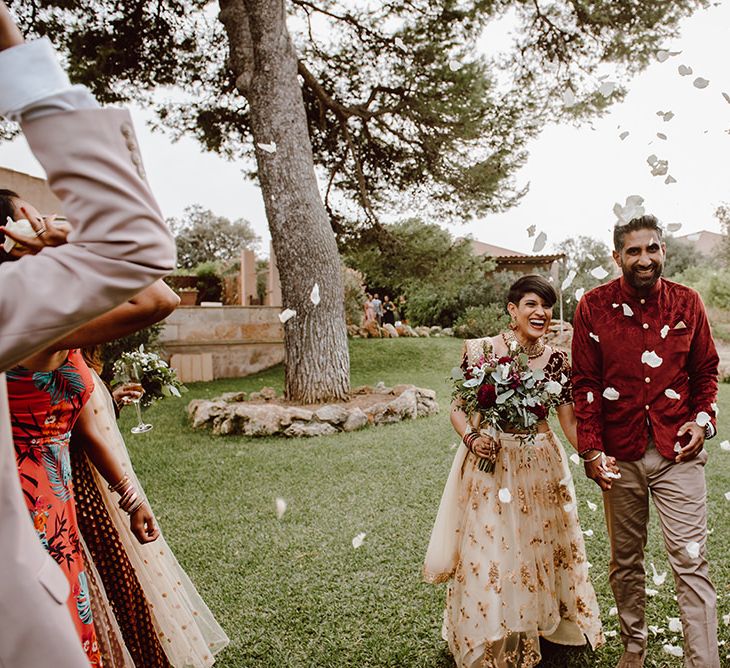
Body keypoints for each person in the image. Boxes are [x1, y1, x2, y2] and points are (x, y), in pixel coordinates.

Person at [0, 8, 176, 668]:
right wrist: (13, 54)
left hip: (59, 503)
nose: (40, 220)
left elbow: (84, 422)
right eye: (27, 217)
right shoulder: (26, 332)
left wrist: (131, 496)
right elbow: (148, 281)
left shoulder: (29, 323)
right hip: (36, 518)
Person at [424, 274, 604, 668]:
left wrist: (593, 455)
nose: (540, 313)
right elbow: (457, 408)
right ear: (512, 310)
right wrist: (473, 438)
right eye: (531, 305)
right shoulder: (480, 351)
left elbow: (569, 423)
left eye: (546, 306)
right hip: (491, 461)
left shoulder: (558, 359)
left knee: (536, 547)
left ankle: (538, 623)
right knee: (490, 549)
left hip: (540, 462)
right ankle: (487, 633)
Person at [571, 215, 720, 668]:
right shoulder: (592, 307)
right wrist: (592, 451)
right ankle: (633, 648)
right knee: (625, 562)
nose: (644, 258)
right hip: (620, 455)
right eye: (633, 251)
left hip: (680, 453)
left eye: (651, 249)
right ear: (616, 257)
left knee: (690, 561)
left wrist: (702, 422)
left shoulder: (688, 303)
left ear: (664, 252)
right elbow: (585, 383)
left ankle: (704, 661)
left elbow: (706, 373)